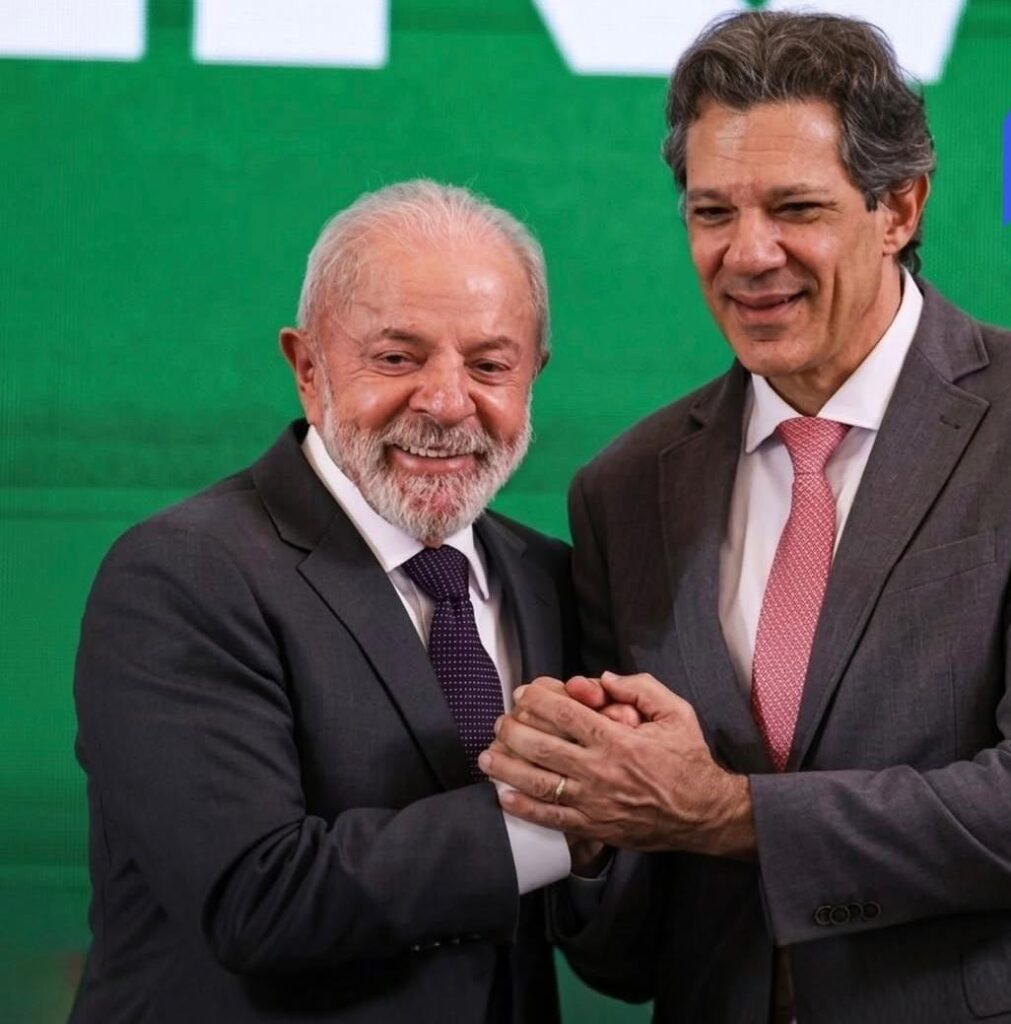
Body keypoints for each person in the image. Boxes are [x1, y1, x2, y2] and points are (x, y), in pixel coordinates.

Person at [479, 11, 1011, 1023]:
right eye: (711, 212)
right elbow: (627, 947)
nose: (748, 254)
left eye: (796, 208)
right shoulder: (625, 490)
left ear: (900, 207)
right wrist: (588, 826)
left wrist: (727, 813)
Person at [70, 180, 581, 1023]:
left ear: (533, 376)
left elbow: (598, 932)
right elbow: (255, 898)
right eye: (397, 359)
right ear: (307, 369)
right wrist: (570, 817)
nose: (447, 402)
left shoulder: (549, 579)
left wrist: (643, 817)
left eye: (490, 365)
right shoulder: (179, 575)